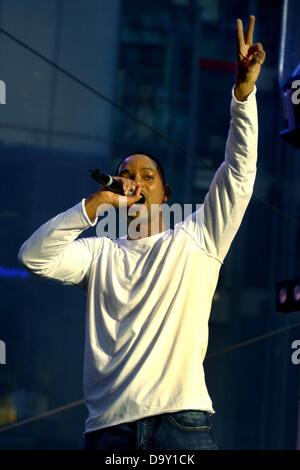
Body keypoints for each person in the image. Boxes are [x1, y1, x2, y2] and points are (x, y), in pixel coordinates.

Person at [18, 16, 265, 450]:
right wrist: (94, 206)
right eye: (126, 175)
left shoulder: (197, 238)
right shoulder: (99, 255)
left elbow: (240, 173)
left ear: (165, 194)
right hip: (109, 430)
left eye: (147, 175)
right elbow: (34, 257)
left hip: (181, 425)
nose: (135, 181)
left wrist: (242, 96)